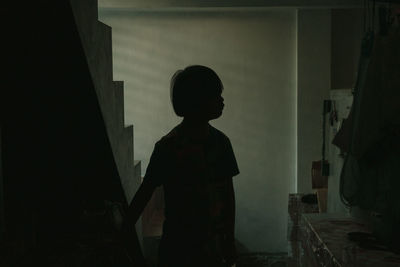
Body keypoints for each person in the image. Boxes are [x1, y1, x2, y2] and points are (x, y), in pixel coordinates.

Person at [124, 65, 239, 267]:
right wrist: (123, 230)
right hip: (178, 250)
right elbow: (146, 191)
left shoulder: (221, 143)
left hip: (211, 249)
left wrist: (229, 241)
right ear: (197, 100)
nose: (222, 100)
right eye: (215, 95)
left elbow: (227, 197)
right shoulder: (167, 148)